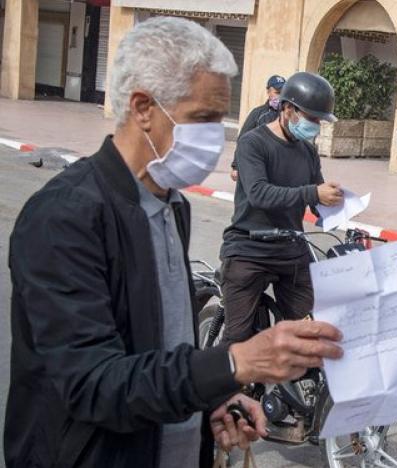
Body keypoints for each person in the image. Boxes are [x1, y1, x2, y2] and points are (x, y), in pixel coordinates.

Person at [4, 18, 343, 468]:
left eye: (218, 118)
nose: (214, 137)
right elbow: (94, 385)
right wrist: (234, 364)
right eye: (202, 118)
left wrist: (209, 405)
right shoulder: (66, 217)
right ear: (143, 107)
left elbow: (158, 351)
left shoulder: (171, 207)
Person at [219, 71, 344, 347]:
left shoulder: (308, 151)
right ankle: (218, 387)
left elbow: (315, 198)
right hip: (249, 249)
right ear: (288, 109)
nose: (315, 125)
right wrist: (312, 192)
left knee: (312, 329)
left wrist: (337, 204)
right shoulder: (253, 143)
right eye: (311, 118)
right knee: (237, 339)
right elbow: (259, 194)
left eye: (319, 120)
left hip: (291, 249)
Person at [231, 74, 286, 182]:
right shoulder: (258, 114)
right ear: (268, 92)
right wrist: (236, 166)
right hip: (258, 167)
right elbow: (243, 139)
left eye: (283, 93)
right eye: (277, 93)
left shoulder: (288, 114)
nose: (280, 97)